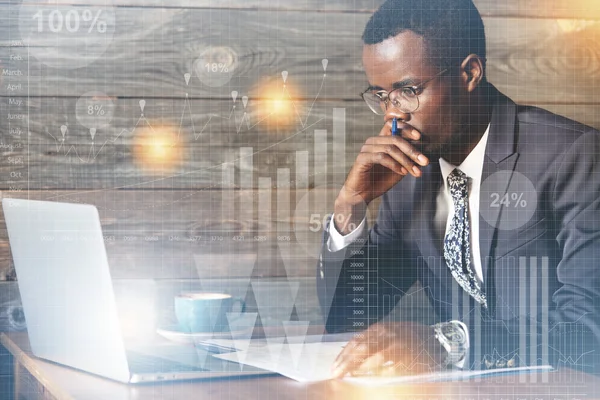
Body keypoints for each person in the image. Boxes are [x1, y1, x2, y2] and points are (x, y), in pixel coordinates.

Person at [317, 0, 600, 378]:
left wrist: (445, 344)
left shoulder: (574, 156)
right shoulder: (406, 179)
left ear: (469, 73)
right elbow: (346, 316)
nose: (392, 114)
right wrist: (349, 207)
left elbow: (586, 328)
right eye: (381, 96)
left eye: (408, 90)